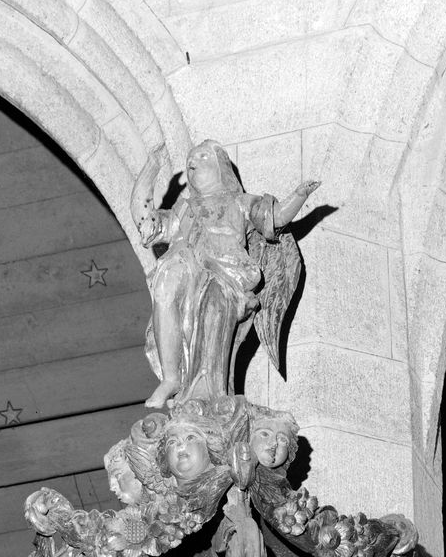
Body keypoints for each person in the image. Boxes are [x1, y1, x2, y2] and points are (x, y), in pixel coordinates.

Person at [133, 140, 319, 408]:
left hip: (225, 274)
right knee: (164, 284)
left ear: (220, 166)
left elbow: (276, 217)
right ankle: (171, 378)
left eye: (202, 156)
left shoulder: (240, 202)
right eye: (190, 158)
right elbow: (146, 223)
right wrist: (150, 170)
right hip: (185, 265)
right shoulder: (182, 209)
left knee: (214, 306)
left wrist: (299, 195)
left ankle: (207, 392)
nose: (193, 161)